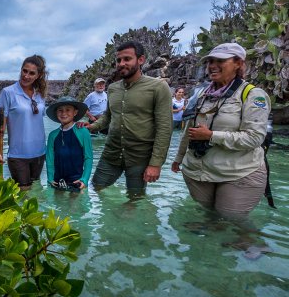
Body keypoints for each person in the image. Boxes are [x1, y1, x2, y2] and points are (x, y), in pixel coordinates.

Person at [171, 42, 271, 220]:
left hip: (240, 172)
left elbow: (255, 138)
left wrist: (211, 136)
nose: (212, 66)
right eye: (210, 61)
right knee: (208, 219)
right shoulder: (201, 95)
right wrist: (178, 158)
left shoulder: (253, 95)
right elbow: (189, 130)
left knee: (232, 223)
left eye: (220, 60)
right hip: (199, 172)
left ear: (238, 64)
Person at [85, 41, 173, 196]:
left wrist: (156, 163)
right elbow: (108, 116)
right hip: (111, 153)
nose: (121, 64)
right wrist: (92, 127)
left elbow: (164, 127)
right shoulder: (112, 88)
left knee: (135, 199)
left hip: (139, 157)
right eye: (118, 60)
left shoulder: (158, 87)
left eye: (127, 59)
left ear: (141, 60)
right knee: (94, 189)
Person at [0, 55, 48, 190]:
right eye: (25, 71)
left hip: (40, 152)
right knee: (24, 194)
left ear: (38, 75)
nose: (26, 76)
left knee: (36, 192)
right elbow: (0, 125)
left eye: (31, 73)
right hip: (18, 155)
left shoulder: (40, 94)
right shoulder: (8, 92)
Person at [45, 96, 93, 191]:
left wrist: (84, 179)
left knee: (76, 205)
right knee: (56, 205)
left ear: (75, 112)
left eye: (68, 110)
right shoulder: (52, 135)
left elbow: (88, 157)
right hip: (57, 181)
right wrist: (50, 178)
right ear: (56, 113)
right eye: (60, 110)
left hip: (77, 182)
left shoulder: (83, 132)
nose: (64, 113)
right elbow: (49, 159)